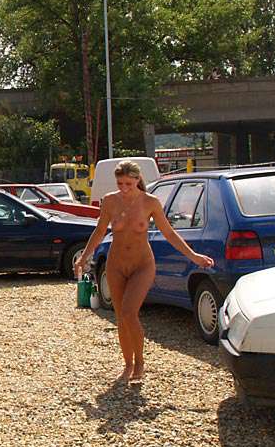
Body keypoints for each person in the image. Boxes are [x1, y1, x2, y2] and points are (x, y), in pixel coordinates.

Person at [75, 160, 214, 384]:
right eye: (120, 183)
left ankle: (139, 362)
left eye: (128, 184)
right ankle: (127, 364)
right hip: (116, 264)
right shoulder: (110, 201)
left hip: (142, 265)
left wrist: (194, 256)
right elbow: (100, 231)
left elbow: (169, 233)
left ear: (138, 180)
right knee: (121, 317)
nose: (124, 188)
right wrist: (84, 257)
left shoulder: (150, 202)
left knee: (129, 312)